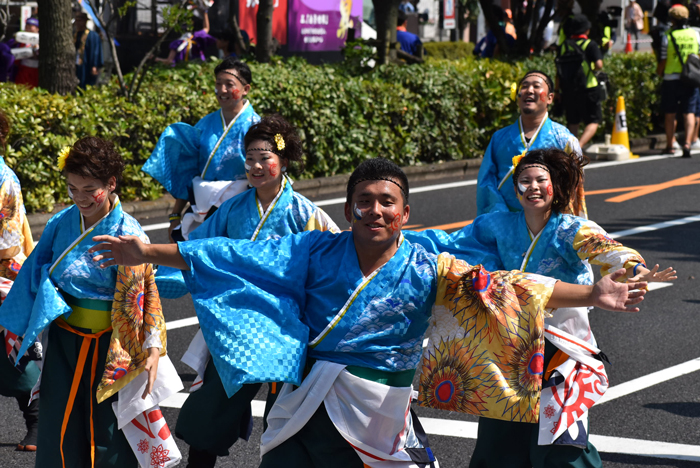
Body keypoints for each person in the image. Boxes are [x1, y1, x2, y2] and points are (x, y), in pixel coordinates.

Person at [90, 158, 647, 468]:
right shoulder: (313, 248)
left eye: (387, 202)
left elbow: (508, 287)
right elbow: (233, 254)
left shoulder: (430, 266)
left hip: (379, 406)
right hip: (307, 395)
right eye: (364, 200)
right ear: (348, 206)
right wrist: (147, 252)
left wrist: (593, 295)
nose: (374, 209)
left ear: (405, 213)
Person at [406, 148, 676, 467]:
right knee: (499, 442)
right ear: (515, 189)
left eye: (540, 180)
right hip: (511, 346)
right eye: (524, 180)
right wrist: (389, 240)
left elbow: (607, 248)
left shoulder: (572, 228)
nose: (532, 186)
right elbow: (446, 243)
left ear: (555, 187)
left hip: (561, 347)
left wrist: (634, 268)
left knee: (561, 443)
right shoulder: (498, 225)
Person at [0, 137, 183, 467]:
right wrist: (11, 317)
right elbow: (33, 271)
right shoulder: (61, 223)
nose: (80, 198)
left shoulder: (128, 231)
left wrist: (154, 348)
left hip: (111, 345)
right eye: (72, 189)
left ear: (111, 183)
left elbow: (144, 294)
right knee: (58, 421)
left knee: (107, 429)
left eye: (89, 189)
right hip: (64, 338)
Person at [174, 114, 339, 468]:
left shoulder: (306, 213)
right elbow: (200, 251)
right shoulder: (233, 209)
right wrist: (151, 271)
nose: (256, 165)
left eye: (265, 157)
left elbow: (334, 264)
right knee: (213, 404)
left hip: (288, 328)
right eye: (250, 157)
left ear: (283, 159)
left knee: (285, 414)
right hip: (239, 324)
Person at [143, 57, 260, 242]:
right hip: (202, 211)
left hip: (242, 212)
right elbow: (188, 172)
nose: (221, 90)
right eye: (218, 84)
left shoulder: (256, 128)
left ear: (246, 89)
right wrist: (175, 215)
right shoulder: (204, 125)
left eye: (229, 84)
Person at [477, 70, 586, 217]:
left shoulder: (564, 140)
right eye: (525, 86)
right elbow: (486, 181)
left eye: (536, 86)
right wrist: (499, 213)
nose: (529, 90)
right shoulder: (498, 138)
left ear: (550, 98)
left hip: (549, 224)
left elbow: (573, 188)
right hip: (505, 221)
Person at [0, 109, 40, 452]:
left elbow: (8, 242)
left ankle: (38, 420)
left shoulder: (4, 179)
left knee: (13, 353)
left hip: (1, 269)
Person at [555, 14, 604, 149]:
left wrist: (557, 90)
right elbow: (599, 64)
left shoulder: (564, 46)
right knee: (594, 120)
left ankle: (571, 150)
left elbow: (558, 72)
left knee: (573, 122)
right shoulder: (590, 44)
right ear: (586, 30)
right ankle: (579, 146)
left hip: (568, 89)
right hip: (589, 88)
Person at [657, 4, 700, 158]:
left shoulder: (667, 36)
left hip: (671, 78)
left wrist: (658, 72)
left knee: (670, 113)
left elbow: (663, 59)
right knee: (689, 112)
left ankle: (670, 145)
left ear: (672, 20)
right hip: (690, 78)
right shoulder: (695, 34)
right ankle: (688, 143)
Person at [74, 12, 103, 88]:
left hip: (87, 66)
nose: (78, 23)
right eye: (77, 20)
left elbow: (96, 51)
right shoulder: (75, 35)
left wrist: (95, 65)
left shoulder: (93, 36)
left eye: (80, 20)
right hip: (75, 66)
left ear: (85, 21)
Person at [9, 17, 40, 88]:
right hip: (23, 70)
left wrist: (36, 49)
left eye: (31, 26)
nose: (28, 28)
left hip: (36, 71)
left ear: (37, 29)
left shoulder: (41, 39)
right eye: (26, 26)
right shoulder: (21, 38)